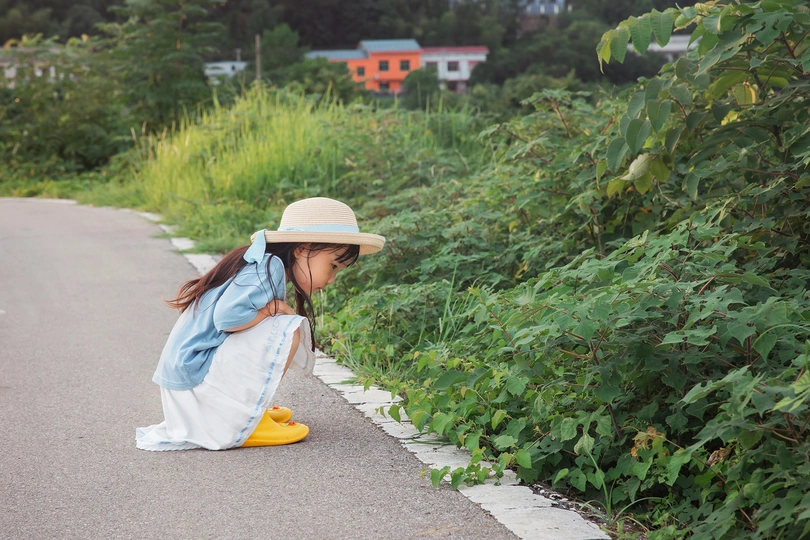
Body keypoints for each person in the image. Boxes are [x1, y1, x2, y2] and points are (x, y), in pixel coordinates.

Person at [136, 197, 385, 451]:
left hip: (187, 385)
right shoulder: (269, 267)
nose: (332, 278)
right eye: (332, 266)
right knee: (287, 328)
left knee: (279, 323)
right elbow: (227, 318)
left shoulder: (264, 264)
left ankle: (248, 410)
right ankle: (246, 419)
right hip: (193, 388)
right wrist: (272, 309)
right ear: (302, 249)